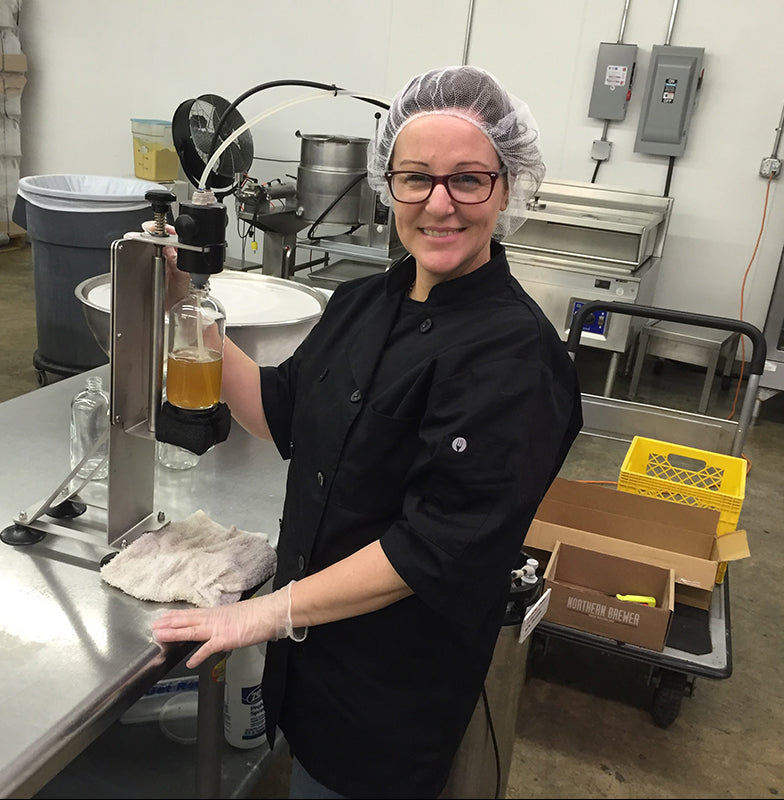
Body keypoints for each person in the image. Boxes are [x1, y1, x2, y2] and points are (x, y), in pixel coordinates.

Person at [152, 64, 583, 799]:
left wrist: (265, 612)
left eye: (468, 179)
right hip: (308, 666)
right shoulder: (359, 302)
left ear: (507, 187)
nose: (439, 204)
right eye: (416, 178)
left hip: (390, 692)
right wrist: (186, 304)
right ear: (389, 188)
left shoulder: (515, 360)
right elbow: (276, 409)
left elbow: (431, 547)